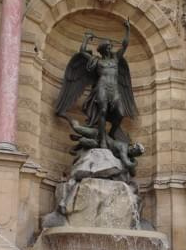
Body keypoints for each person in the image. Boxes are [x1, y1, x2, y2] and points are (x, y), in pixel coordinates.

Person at [55, 19, 137, 151]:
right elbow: (82, 52)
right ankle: (103, 140)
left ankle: (111, 133)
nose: (111, 48)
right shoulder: (96, 61)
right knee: (103, 111)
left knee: (120, 113)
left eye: (111, 46)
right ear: (103, 49)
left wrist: (127, 30)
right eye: (108, 46)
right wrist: (86, 39)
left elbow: (125, 45)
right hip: (102, 88)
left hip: (114, 90)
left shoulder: (116, 58)